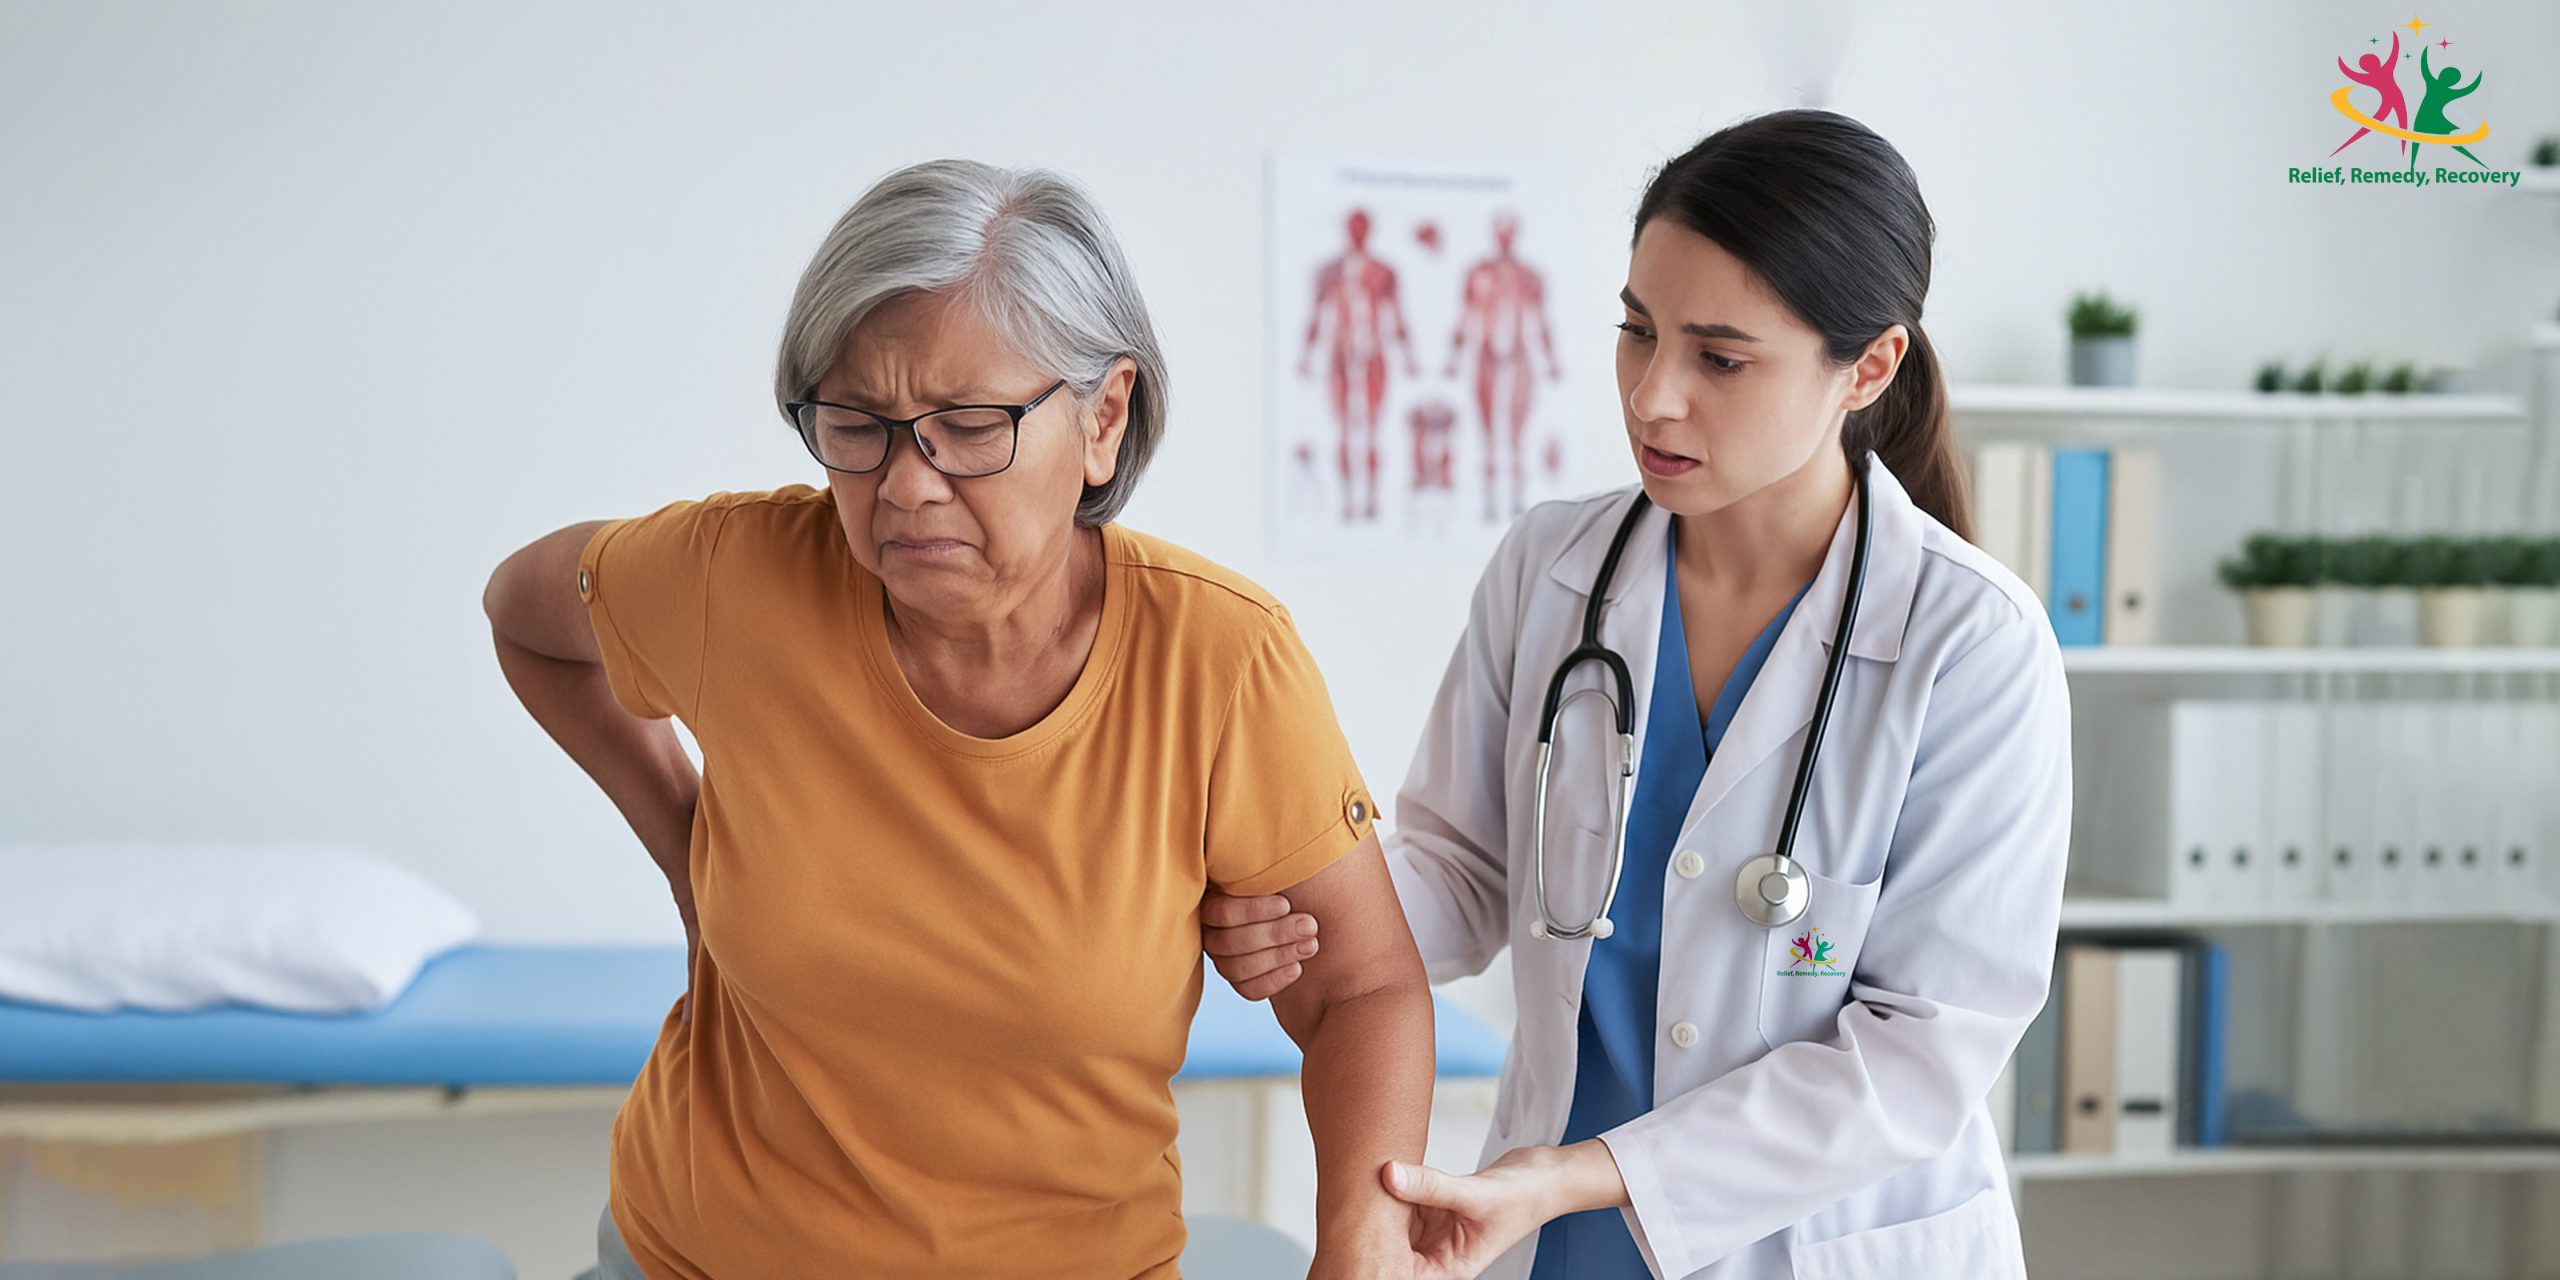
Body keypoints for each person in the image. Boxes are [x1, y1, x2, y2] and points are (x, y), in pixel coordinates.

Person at [485, 160, 1434, 1279]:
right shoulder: (734, 579)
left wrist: (1360, 1247)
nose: (905, 485)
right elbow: (524, 613)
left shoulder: (1219, 663)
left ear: (1103, 419)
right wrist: (685, 846)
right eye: (859, 424)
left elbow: (1364, 991)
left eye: (969, 425)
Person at [1207, 110, 2071, 1280]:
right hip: (1555, 1237)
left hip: (1808, 1243)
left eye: (1719, 358)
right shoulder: (1552, 569)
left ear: (1867, 366)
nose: (1651, 396)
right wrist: (1309, 916)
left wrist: (1579, 1172)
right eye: (1634, 330)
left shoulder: (1970, 643)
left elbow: (1918, 1053)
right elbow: (1462, 871)